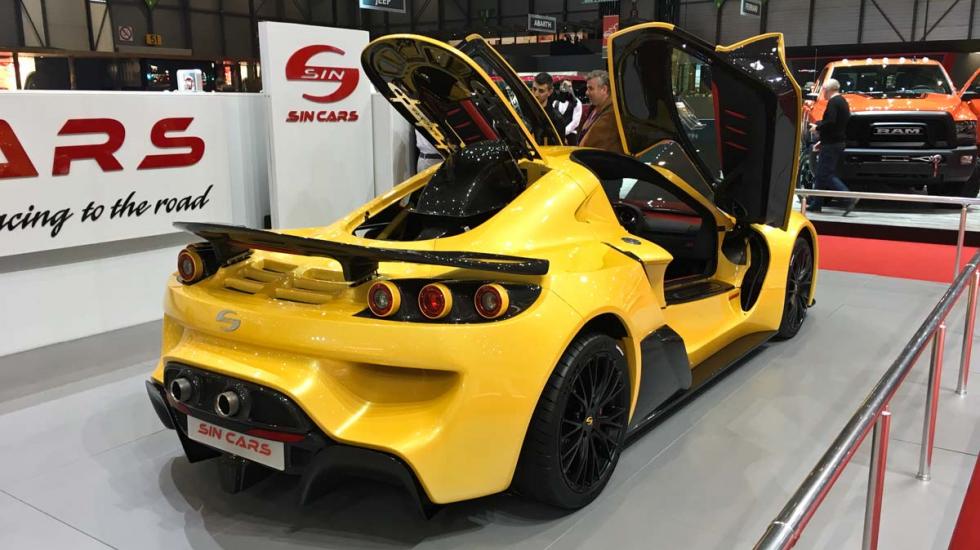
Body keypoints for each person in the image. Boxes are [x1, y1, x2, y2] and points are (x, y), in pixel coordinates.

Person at [809, 78, 858, 215]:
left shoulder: (833, 102)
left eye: (823, 89)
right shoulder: (842, 102)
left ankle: (849, 198)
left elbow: (830, 122)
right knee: (821, 174)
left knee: (825, 174)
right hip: (835, 142)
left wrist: (817, 127)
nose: (823, 92)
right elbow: (837, 125)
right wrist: (822, 140)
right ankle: (816, 203)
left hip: (831, 144)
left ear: (828, 90)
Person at [578, 70, 624, 154]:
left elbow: (592, 144)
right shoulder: (596, 108)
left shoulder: (612, 114)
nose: (586, 92)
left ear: (604, 89)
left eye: (591, 88)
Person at [530, 72, 565, 144]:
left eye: (541, 91)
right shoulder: (525, 112)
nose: (536, 94)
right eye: (534, 89)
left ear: (550, 92)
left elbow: (559, 147)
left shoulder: (557, 119)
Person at [553, 80, 583, 145]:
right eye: (565, 86)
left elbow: (575, 122)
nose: (568, 88)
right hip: (556, 135)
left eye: (569, 86)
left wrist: (563, 133)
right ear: (561, 87)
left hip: (570, 134)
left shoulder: (577, 102)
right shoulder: (555, 102)